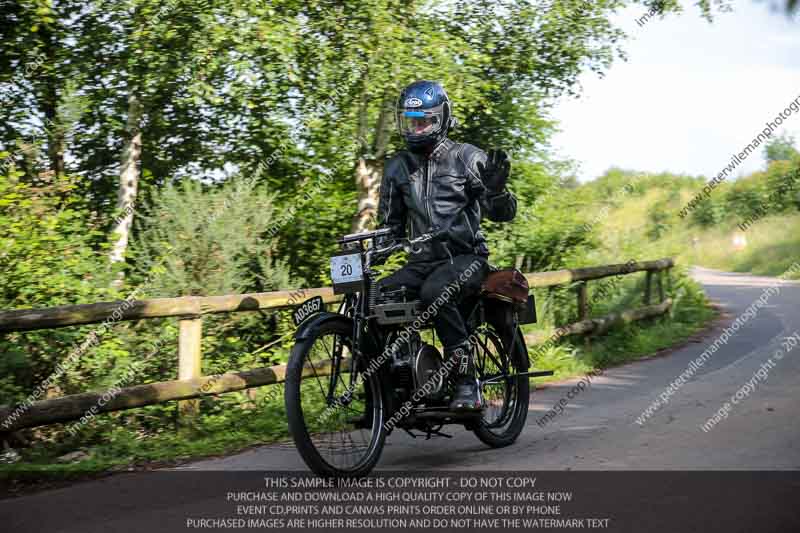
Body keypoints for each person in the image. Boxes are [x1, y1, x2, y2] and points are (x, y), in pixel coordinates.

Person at [375, 80, 517, 411]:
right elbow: (390, 227)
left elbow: (503, 214)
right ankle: (395, 382)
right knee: (374, 298)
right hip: (420, 263)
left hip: (466, 258)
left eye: (423, 120)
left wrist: (497, 192)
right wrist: (374, 248)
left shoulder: (465, 158)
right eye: (411, 120)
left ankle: (467, 382)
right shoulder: (397, 167)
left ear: (441, 119)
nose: (416, 127)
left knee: (434, 292)